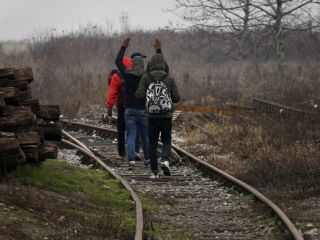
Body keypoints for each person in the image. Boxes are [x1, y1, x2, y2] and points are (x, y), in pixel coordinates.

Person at [135, 39, 180, 178]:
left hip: (151, 117)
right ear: (164, 65)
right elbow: (177, 98)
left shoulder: (146, 77)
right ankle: (165, 160)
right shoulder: (169, 78)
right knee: (166, 140)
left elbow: (139, 95)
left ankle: (154, 172)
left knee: (152, 144)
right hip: (166, 116)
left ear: (151, 65)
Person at [115, 38, 150, 169]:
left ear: (132, 62)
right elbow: (163, 68)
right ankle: (147, 159)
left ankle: (131, 161)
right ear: (141, 63)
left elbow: (118, 61)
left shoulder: (126, 74)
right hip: (143, 110)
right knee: (145, 135)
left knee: (131, 135)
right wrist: (158, 50)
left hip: (129, 110)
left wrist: (123, 47)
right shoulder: (146, 76)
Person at [106, 57, 132, 158]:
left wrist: (109, 107)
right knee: (133, 129)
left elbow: (112, 93)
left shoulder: (117, 75)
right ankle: (135, 151)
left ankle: (121, 152)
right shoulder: (135, 73)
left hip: (121, 106)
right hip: (134, 105)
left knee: (121, 129)